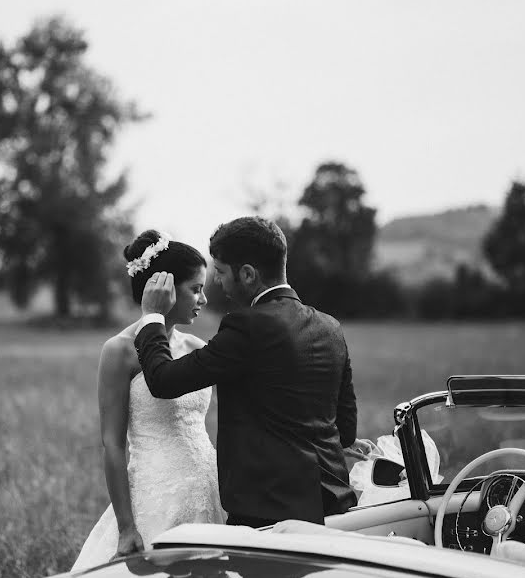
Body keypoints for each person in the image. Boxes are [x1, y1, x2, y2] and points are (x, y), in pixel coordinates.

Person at [135, 216, 358, 528]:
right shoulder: (330, 327)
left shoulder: (248, 325)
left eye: (223, 273)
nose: (220, 284)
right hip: (334, 504)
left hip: (268, 512)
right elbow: (345, 430)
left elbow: (163, 380)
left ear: (248, 274)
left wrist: (153, 316)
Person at [71, 230, 225, 571]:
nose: (203, 299)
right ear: (165, 287)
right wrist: (127, 526)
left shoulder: (199, 349)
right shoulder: (119, 351)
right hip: (155, 498)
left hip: (208, 489)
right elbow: (112, 444)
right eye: (196, 289)